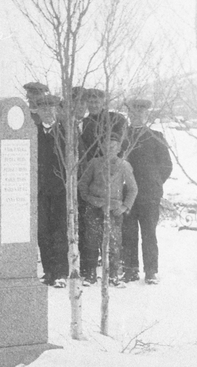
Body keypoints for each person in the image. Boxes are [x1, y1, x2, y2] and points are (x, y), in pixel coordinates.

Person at [120, 99, 172, 284]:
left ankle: (151, 271)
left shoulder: (155, 136)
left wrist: (155, 183)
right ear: (129, 115)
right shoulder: (121, 137)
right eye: (133, 113)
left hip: (149, 195)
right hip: (126, 195)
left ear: (146, 115)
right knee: (128, 232)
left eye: (140, 113)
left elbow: (166, 166)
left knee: (149, 233)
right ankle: (130, 269)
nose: (136, 116)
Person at [78, 132, 137, 286]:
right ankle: (90, 274)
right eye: (106, 146)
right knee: (91, 240)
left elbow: (133, 189)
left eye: (113, 146)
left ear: (118, 149)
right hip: (94, 208)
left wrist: (124, 206)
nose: (109, 149)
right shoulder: (94, 163)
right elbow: (82, 185)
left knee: (114, 243)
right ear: (102, 147)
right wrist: (91, 200)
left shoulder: (123, 165)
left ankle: (113, 276)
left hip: (114, 210)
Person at [35, 95, 68, 287]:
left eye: (51, 108)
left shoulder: (66, 133)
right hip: (40, 192)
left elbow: (76, 163)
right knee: (42, 232)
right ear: (38, 111)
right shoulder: (33, 133)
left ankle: (61, 272)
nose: (47, 112)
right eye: (43, 108)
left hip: (60, 192)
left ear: (56, 110)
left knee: (59, 232)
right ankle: (48, 271)